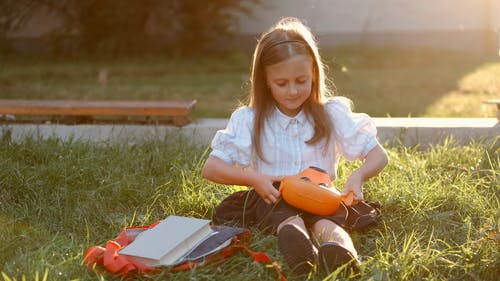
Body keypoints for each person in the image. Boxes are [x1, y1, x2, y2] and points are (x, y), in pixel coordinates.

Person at [202, 17, 389, 276]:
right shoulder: (250, 119)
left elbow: (379, 155)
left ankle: (342, 255)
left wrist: (358, 175)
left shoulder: (331, 113)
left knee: (330, 223)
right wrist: (255, 178)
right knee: (284, 213)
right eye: (282, 83)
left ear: (313, 73)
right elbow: (211, 168)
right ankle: (298, 245)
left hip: (321, 194)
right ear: (265, 80)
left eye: (301, 80)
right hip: (275, 193)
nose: (292, 91)